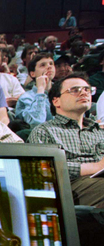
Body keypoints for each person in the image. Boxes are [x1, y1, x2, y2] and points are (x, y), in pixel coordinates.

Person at [29, 73, 104, 208]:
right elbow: (40, 168)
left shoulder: (99, 130)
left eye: (87, 89)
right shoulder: (44, 131)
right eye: (75, 90)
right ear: (56, 101)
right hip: (69, 188)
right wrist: (95, 167)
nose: (84, 93)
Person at [15, 53, 55, 128]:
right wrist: (41, 90)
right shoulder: (26, 97)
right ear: (32, 74)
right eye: (43, 65)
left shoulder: (62, 92)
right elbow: (36, 123)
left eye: (51, 64)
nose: (49, 66)